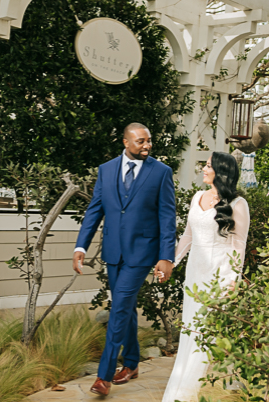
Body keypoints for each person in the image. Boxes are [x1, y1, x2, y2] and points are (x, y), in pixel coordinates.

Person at [73, 123, 176, 397]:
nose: (147, 146)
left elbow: (167, 217)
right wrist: (81, 246)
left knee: (119, 308)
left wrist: (166, 256)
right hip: (114, 252)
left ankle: (103, 376)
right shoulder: (106, 169)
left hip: (143, 252)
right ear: (126, 142)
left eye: (149, 141)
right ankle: (131, 363)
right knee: (126, 307)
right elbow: (95, 209)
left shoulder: (161, 172)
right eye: (141, 141)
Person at [162, 152, 250, 402]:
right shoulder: (197, 197)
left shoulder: (238, 204)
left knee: (204, 334)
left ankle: (185, 396)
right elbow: (188, 236)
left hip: (219, 276)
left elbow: (239, 245)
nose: (203, 168)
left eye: (208, 166)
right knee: (190, 330)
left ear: (220, 172)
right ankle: (183, 390)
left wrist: (233, 279)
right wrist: (171, 262)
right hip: (195, 274)